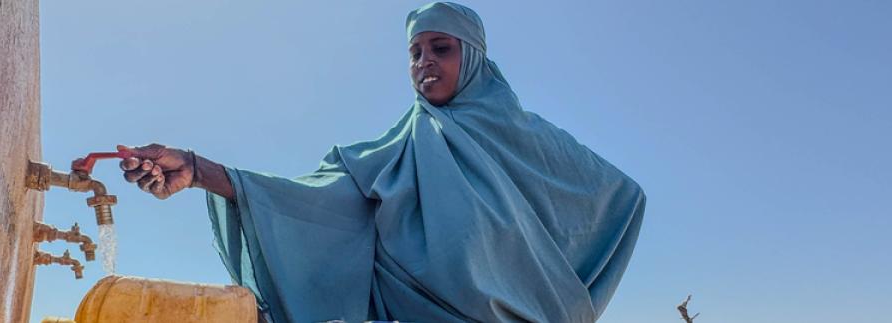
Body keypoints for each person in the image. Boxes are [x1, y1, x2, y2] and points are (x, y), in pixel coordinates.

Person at [97, 3, 646, 322]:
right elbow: (316, 202)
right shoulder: (400, 149)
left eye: (441, 48)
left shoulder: (530, 141)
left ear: (472, 56)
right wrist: (197, 169)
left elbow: (620, 201)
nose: (425, 63)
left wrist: (573, 302)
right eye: (415, 53)